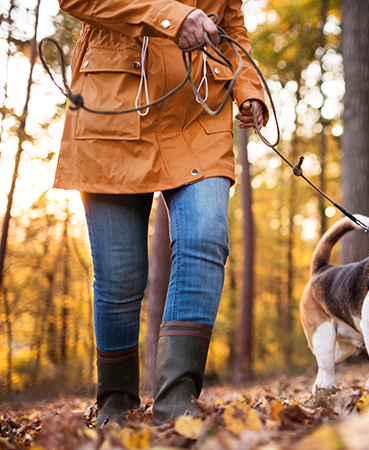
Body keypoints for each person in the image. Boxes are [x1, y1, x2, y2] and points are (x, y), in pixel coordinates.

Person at [54, 0, 268, 426]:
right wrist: (169, 16)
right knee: (120, 274)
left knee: (205, 238)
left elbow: (232, 29)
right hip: (111, 106)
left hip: (198, 110)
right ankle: (115, 401)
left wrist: (249, 89)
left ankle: (177, 401)